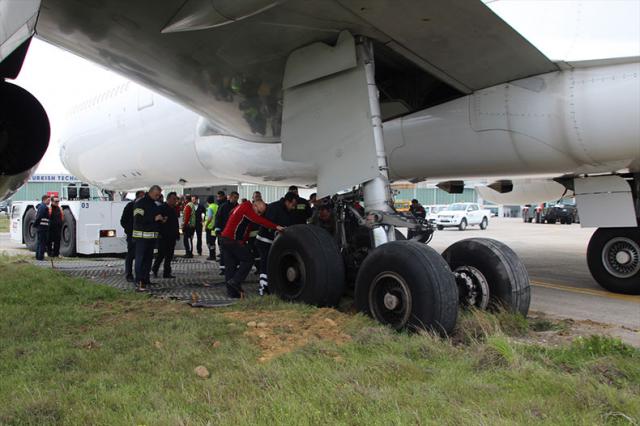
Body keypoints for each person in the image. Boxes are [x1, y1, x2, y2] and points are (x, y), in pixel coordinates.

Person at [220, 199, 284, 298]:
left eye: (261, 213)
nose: (258, 214)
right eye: (258, 211)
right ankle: (235, 281)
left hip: (225, 239)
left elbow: (246, 227)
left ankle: (232, 293)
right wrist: (276, 227)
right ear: (254, 205)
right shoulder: (247, 208)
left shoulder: (242, 207)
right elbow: (259, 220)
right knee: (248, 260)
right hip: (232, 240)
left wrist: (243, 241)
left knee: (230, 266)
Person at [256, 192, 297, 295]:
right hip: (264, 241)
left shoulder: (287, 211)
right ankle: (263, 289)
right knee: (265, 264)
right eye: (292, 205)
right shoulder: (274, 207)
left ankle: (270, 287)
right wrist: (276, 231)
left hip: (275, 243)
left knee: (271, 264)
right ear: (287, 201)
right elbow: (268, 224)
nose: (293, 207)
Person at [132, 185, 164, 291]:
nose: (158, 197)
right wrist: (153, 218)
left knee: (148, 260)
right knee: (140, 259)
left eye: (159, 195)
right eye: (157, 195)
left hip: (151, 237)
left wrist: (161, 219)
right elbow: (138, 219)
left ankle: (145, 280)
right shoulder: (140, 203)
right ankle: (139, 281)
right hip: (141, 237)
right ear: (151, 192)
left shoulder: (153, 204)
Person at [152, 192, 179, 278]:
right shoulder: (162, 208)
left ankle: (167, 272)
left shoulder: (173, 209)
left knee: (169, 255)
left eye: (176, 199)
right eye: (174, 199)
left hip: (171, 236)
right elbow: (157, 221)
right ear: (168, 199)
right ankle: (155, 269)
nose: (175, 201)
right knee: (161, 254)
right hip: (163, 236)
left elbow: (175, 223)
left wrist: (177, 233)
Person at [120, 190, 145, 282]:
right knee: (131, 255)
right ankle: (129, 274)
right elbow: (123, 221)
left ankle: (140, 274)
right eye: (142, 197)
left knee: (140, 255)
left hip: (141, 235)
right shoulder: (130, 206)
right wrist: (129, 230)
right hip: (131, 235)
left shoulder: (143, 207)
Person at [214, 191, 239, 275]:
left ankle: (234, 267)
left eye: (237, 198)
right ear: (230, 197)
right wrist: (217, 229)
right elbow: (218, 218)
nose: (235, 199)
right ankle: (223, 268)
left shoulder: (238, 207)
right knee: (224, 251)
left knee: (234, 251)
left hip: (234, 232)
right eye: (234, 197)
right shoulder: (223, 206)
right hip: (224, 232)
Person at [34, 195, 51, 260]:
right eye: (48, 200)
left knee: (39, 242)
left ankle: (38, 256)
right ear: (44, 200)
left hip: (41, 227)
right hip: (43, 228)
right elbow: (39, 217)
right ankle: (40, 257)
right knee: (42, 243)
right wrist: (36, 224)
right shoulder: (43, 207)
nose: (49, 202)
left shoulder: (41, 207)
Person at [204, 195, 219, 261]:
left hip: (210, 227)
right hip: (215, 227)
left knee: (209, 242)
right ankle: (213, 255)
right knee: (213, 241)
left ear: (207, 201)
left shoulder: (210, 207)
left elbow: (209, 218)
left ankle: (212, 255)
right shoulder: (217, 206)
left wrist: (206, 225)